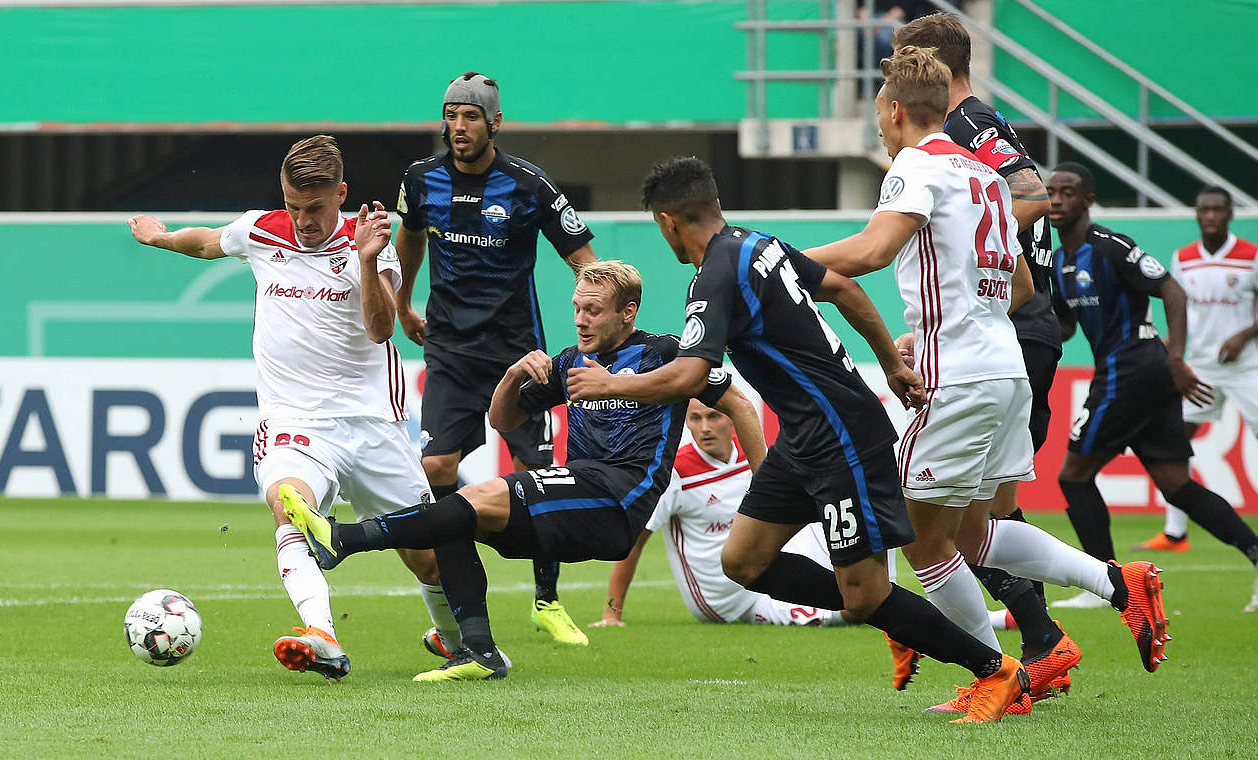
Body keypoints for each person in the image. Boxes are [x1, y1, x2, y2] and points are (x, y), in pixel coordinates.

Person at [566, 156, 1029, 724]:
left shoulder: (715, 276)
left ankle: (997, 672)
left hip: (840, 437)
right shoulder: (760, 245)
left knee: (863, 596)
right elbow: (845, 290)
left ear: (667, 221)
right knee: (742, 561)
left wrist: (615, 382)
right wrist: (889, 364)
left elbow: (690, 376)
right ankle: (897, 615)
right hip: (805, 437)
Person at [804, 48, 1169, 713]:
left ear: (892, 110)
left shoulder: (915, 165)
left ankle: (995, 675)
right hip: (1005, 368)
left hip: (959, 376)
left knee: (919, 537)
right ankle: (1120, 581)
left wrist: (773, 264)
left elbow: (870, 252)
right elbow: (1024, 285)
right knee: (973, 534)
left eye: (880, 113)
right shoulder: (988, 174)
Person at [285, 261, 766, 682]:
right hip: (581, 498)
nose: (580, 319)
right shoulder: (571, 361)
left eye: (593, 310)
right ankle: (478, 651)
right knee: (455, 515)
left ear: (627, 312)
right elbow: (502, 420)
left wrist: (760, 494)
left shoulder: (666, 353)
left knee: (474, 500)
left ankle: (346, 540)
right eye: (577, 307)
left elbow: (740, 405)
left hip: (618, 499)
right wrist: (515, 374)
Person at [127, 135, 434, 680]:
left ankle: (457, 641)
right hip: (294, 421)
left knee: (427, 554)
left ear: (340, 194)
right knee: (287, 500)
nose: (303, 220)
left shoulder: (370, 242)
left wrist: (365, 261)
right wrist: (162, 237)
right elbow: (207, 242)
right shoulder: (262, 230)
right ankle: (322, 633)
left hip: (371, 424)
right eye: (293, 205)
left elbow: (383, 328)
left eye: (314, 208)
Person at [891, 9, 1075, 681]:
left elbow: (1028, 193)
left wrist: (974, 230)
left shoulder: (966, 125)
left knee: (959, 518)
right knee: (976, 513)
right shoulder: (965, 128)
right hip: (1000, 321)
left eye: (903, 61)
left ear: (932, 63)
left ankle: (1025, 643)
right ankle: (1031, 639)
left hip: (1000, 324)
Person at [394, 71, 598, 649]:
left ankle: (548, 602)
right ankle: (459, 605)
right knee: (433, 471)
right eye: (451, 115)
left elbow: (584, 259)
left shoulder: (530, 186)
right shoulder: (420, 178)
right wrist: (405, 302)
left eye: (470, 117)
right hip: (451, 351)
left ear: (494, 123)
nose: (458, 127)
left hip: (519, 356)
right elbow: (410, 235)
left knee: (541, 477)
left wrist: (592, 320)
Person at [1047, 162, 1258, 613]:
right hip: (1143, 374)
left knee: (1073, 475)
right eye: (1052, 192)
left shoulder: (1109, 246)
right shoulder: (1059, 259)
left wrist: (1177, 357)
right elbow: (1067, 325)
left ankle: (1105, 583)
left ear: (1088, 199)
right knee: (1175, 483)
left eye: (1069, 192)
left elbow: (1173, 290)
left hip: (1131, 367)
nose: (1058, 200)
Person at [1134, 186, 1258, 555]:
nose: (1210, 216)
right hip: (1202, 367)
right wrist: (1174, 348)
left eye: (1218, 210)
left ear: (1230, 214)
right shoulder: (1184, 258)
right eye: (1204, 210)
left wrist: (1243, 336)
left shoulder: (1257, 258)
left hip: (1247, 369)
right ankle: (1175, 534)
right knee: (1175, 444)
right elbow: (1181, 308)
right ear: (1197, 214)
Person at [592, 399, 847, 628]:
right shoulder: (675, 473)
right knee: (851, 611)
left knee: (841, 508)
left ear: (732, 417)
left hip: (765, 568)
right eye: (695, 418)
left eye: (713, 416)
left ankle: (879, 584)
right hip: (728, 602)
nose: (704, 428)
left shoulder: (753, 454)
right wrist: (611, 613)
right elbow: (634, 542)